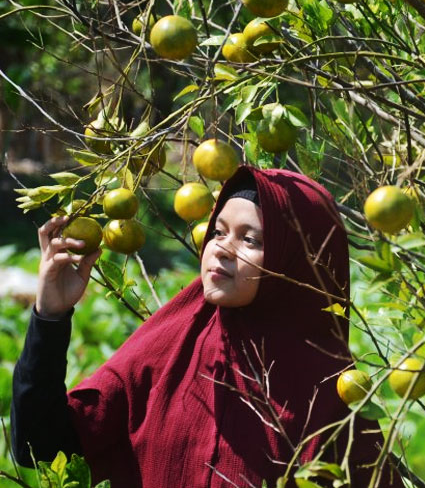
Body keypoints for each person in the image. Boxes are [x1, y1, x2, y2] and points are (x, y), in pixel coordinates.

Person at [12, 165, 404, 487]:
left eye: (250, 240)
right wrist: (50, 314)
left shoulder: (333, 398)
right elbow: (41, 445)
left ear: (297, 263)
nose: (221, 248)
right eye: (218, 232)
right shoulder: (170, 345)